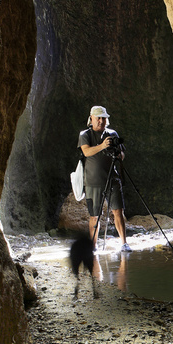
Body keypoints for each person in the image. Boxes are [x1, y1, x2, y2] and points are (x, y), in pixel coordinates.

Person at [78, 105, 130, 250]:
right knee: (95, 215)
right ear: (91, 119)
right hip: (93, 181)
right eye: (98, 118)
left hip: (113, 179)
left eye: (103, 118)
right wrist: (102, 146)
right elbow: (87, 152)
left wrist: (118, 154)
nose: (101, 121)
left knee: (118, 211)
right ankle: (93, 247)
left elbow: (122, 155)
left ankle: (124, 243)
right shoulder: (85, 134)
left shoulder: (112, 133)